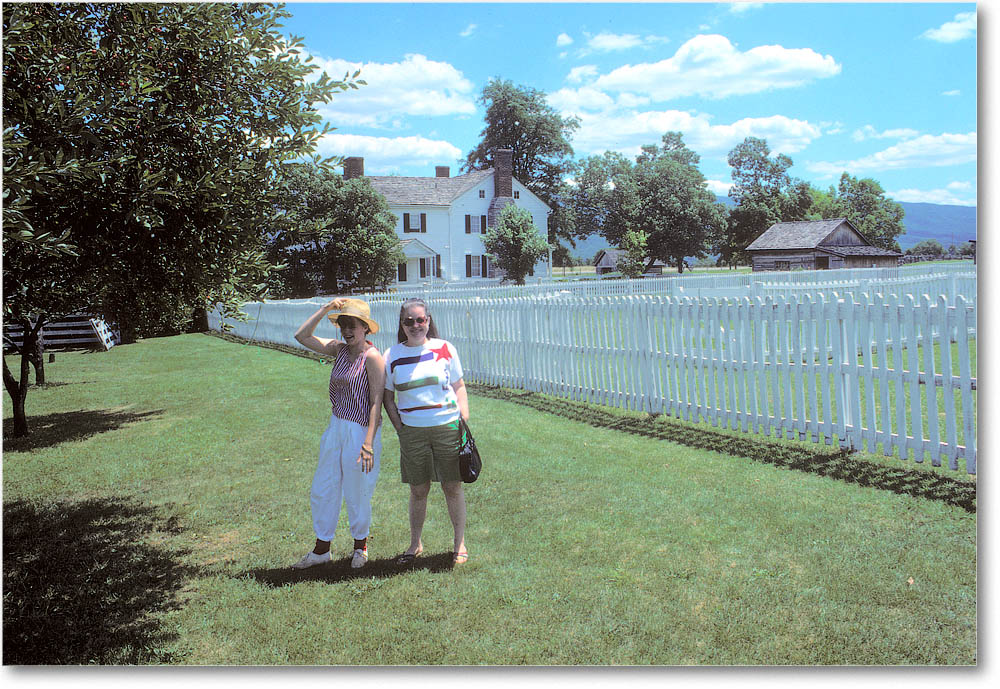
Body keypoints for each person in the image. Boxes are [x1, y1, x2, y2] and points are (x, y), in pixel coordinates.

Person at [291, 297, 385, 570]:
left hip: (359, 430)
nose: (346, 330)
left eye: (352, 324)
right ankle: (322, 549)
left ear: (365, 328)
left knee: (358, 490)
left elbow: (376, 402)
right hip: (336, 426)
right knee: (324, 485)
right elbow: (302, 336)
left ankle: (360, 546)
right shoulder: (339, 350)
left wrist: (367, 442)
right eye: (343, 324)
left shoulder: (373, 357)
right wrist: (326, 309)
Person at [383, 298, 470, 566]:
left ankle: (459, 543)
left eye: (420, 320)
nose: (415, 325)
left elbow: (459, 386)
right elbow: (388, 397)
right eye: (409, 321)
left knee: (452, 486)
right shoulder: (392, 355)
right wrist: (400, 429)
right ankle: (414, 544)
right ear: (402, 324)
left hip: (447, 429)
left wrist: (462, 418)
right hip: (413, 434)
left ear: (428, 321)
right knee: (418, 490)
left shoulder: (445, 349)